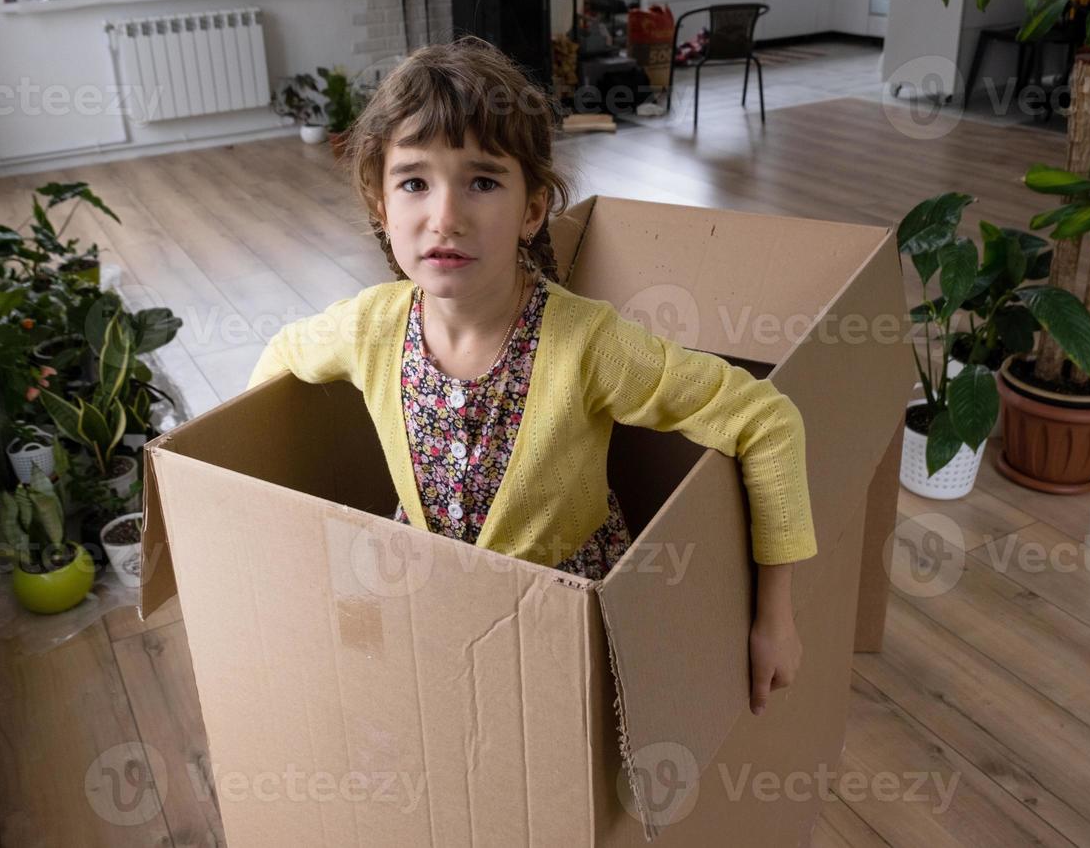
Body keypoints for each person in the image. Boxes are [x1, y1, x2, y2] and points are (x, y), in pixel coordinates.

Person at [250, 37, 815, 714]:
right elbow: (282, 355)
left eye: (482, 181)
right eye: (413, 182)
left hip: (568, 626)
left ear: (532, 208)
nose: (445, 217)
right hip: (429, 603)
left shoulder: (590, 346)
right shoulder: (367, 328)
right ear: (381, 204)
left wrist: (774, 614)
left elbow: (765, 420)